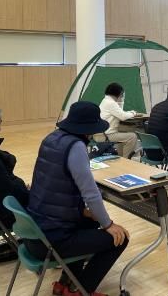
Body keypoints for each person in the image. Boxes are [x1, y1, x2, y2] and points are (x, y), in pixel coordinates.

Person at [27, 101, 130, 296]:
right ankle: (82, 290)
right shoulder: (75, 147)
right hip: (53, 238)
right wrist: (109, 225)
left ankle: (66, 283)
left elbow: (51, 187)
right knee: (120, 238)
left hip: (36, 231)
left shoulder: (51, 138)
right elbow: (90, 193)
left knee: (90, 221)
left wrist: (84, 212)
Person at [96, 82, 138, 158]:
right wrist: (133, 113)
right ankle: (126, 160)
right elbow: (123, 116)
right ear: (120, 93)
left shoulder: (106, 100)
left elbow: (120, 113)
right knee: (132, 136)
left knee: (124, 133)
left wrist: (121, 101)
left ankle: (120, 157)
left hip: (100, 134)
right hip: (104, 136)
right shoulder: (111, 103)